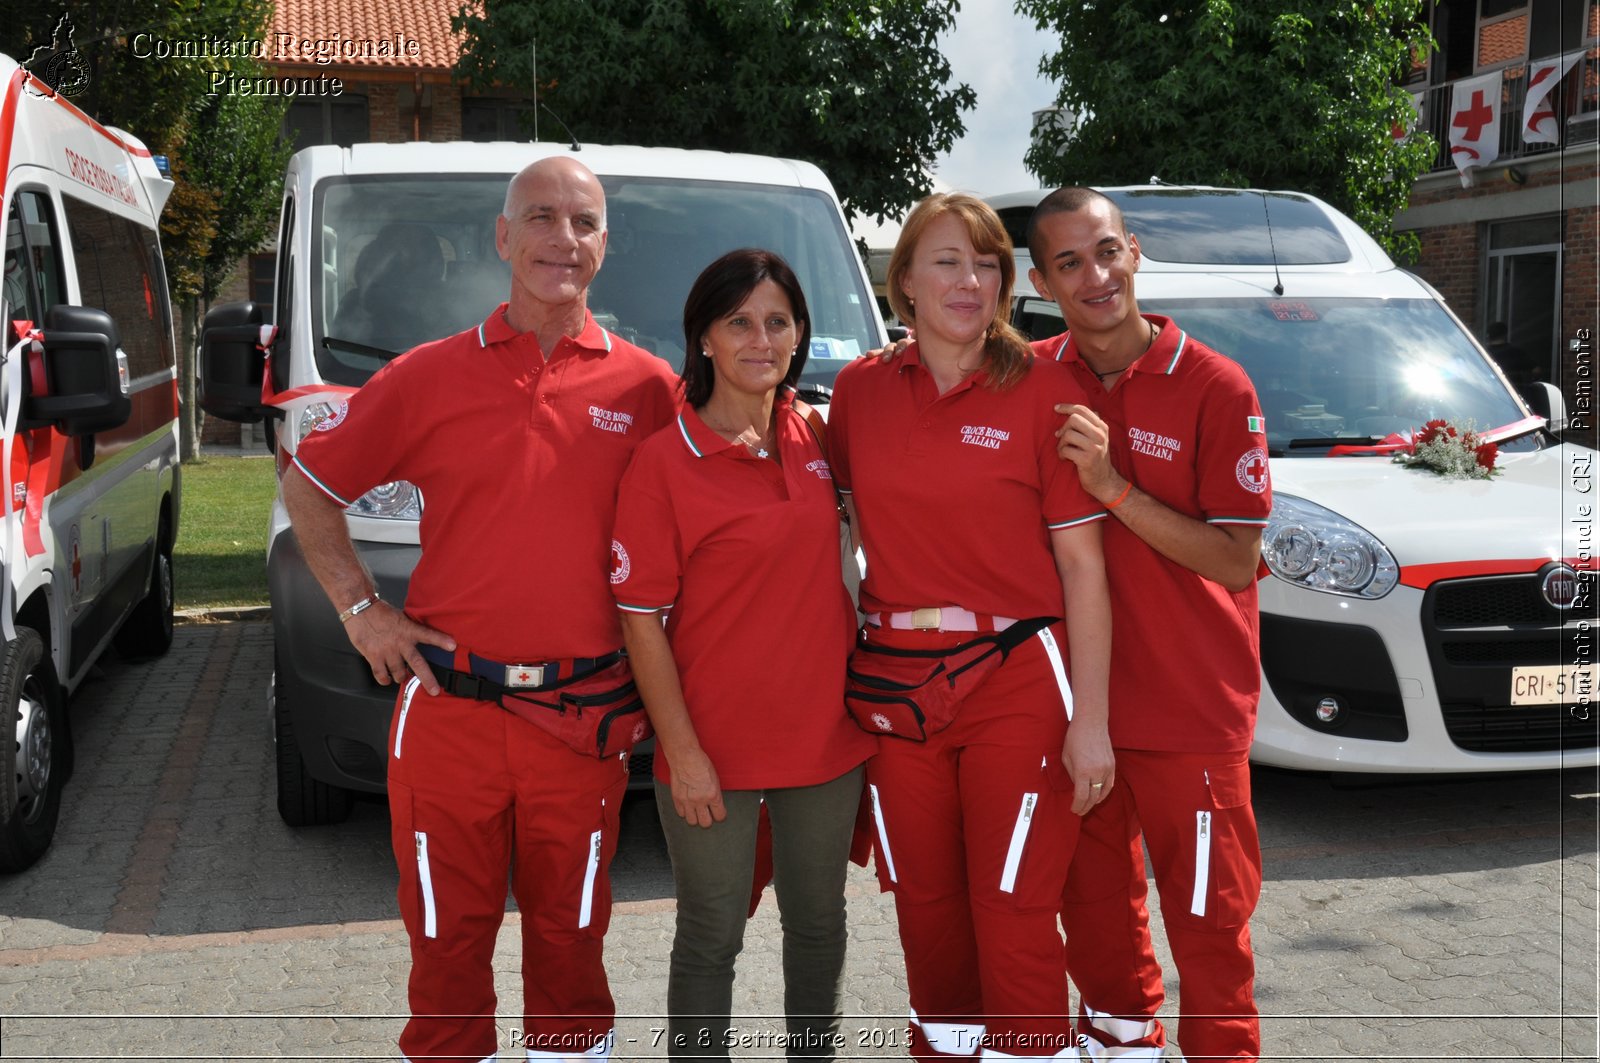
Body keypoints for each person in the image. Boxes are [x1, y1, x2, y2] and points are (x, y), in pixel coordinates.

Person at [282, 156, 679, 1062]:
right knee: (446, 951)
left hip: (582, 722)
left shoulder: (647, 389)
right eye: (540, 217)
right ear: (503, 237)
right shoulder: (427, 376)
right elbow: (309, 486)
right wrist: (360, 609)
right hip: (448, 715)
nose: (561, 238)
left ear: (604, 247)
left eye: (582, 222)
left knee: (573, 950)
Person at [829, 192, 1113, 1061]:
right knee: (925, 906)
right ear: (903, 280)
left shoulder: (1049, 390)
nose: (968, 280)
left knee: (1014, 906)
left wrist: (1091, 723)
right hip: (897, 684)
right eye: (946, 261)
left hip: (1017, 677)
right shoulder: (858, 393)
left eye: (985, 262)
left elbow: (1083, 569)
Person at [610, 248, 876, 1060]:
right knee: (709, 937)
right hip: (711, 750)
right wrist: (681, 752)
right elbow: (640, 620)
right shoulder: (663, 462)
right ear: (705, 340)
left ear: (798, 335)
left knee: (820, 926)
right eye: (740, 322)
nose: (761, 338)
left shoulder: (818, 435)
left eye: (778, 321)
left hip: (827, 743)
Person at [1027, 186, 1272, 1061]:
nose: (1093, 276)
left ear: (1134, 251)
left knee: (1210, 934)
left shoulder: (1215, 383)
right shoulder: (1033, 377)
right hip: (1076, 714)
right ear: (1041, 280)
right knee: (1098, 930)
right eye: (1068, 263)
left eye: (1104, 252)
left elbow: (1237, 559)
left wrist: (1114, 489)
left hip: (1190, 715)